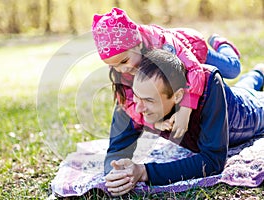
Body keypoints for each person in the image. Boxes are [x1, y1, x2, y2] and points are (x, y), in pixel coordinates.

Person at [104, 49, 264, 196]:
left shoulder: (210, 86)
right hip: (229, 98)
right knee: (245, 86)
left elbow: (212, 160)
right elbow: (117, 150)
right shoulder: (135, 96)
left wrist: (144, 172)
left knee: (255, 99)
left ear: (178, 96)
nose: (138, 107)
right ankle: (257, 73)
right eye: (136, 96)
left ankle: (256, 73)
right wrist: (117, 174)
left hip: (243, 115)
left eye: (148, 100)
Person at [92, 7, 241, 142]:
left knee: (233, 69)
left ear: (137, 44)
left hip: (194, 51)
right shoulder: (124, 67)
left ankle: (222, 44)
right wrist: (155, 123)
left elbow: (195, 70)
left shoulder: (165, 45)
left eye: (124, 61)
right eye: (113, 65)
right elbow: (129, 103)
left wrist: (185, 110)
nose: (121, 69)